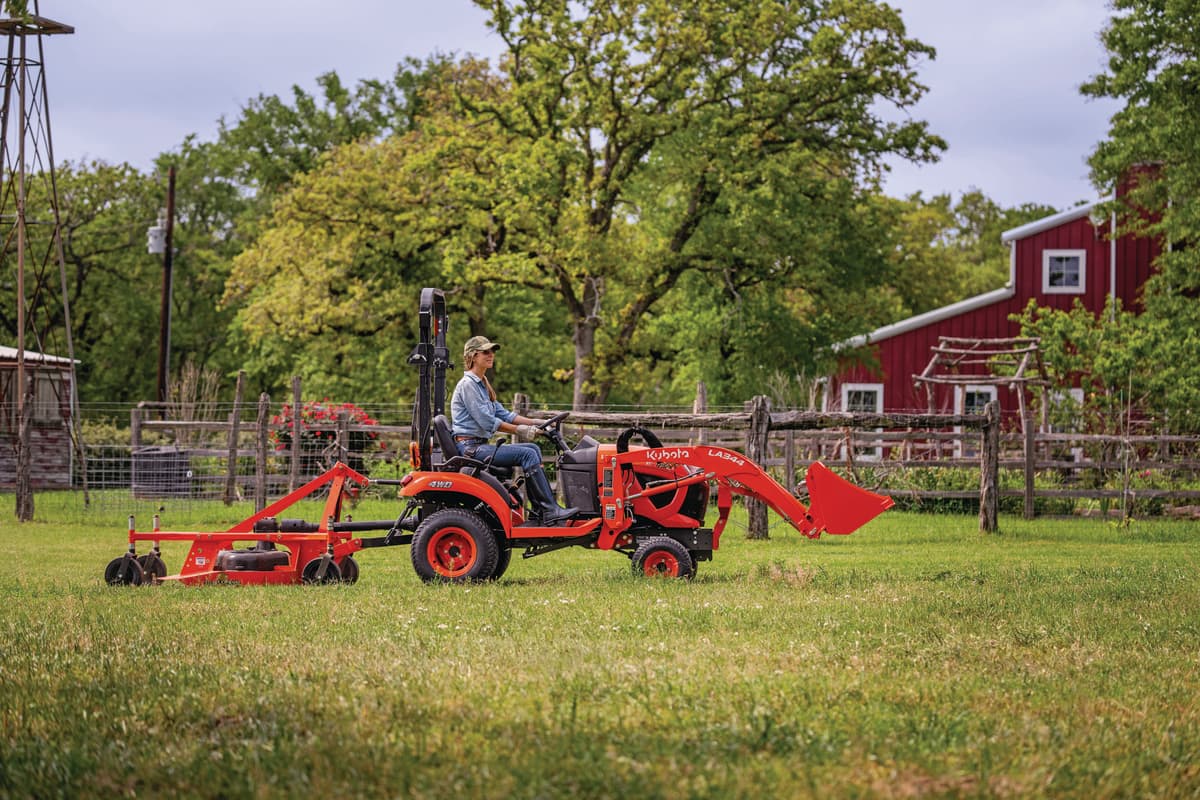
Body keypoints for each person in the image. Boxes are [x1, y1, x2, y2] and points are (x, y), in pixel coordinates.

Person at [450, 335, 578, 525]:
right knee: (527, 454)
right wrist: (521, 431)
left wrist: (535, 422)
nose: (491, 355)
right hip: (470, 449)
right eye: (486, 352)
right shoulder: (468, 385)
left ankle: (539, 511)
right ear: (473, 356)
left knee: (533, 450)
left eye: (492, 351)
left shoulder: (482, 384)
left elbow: (505, 414)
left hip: (477, 445)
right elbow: (488, 422)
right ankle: (550, 511)